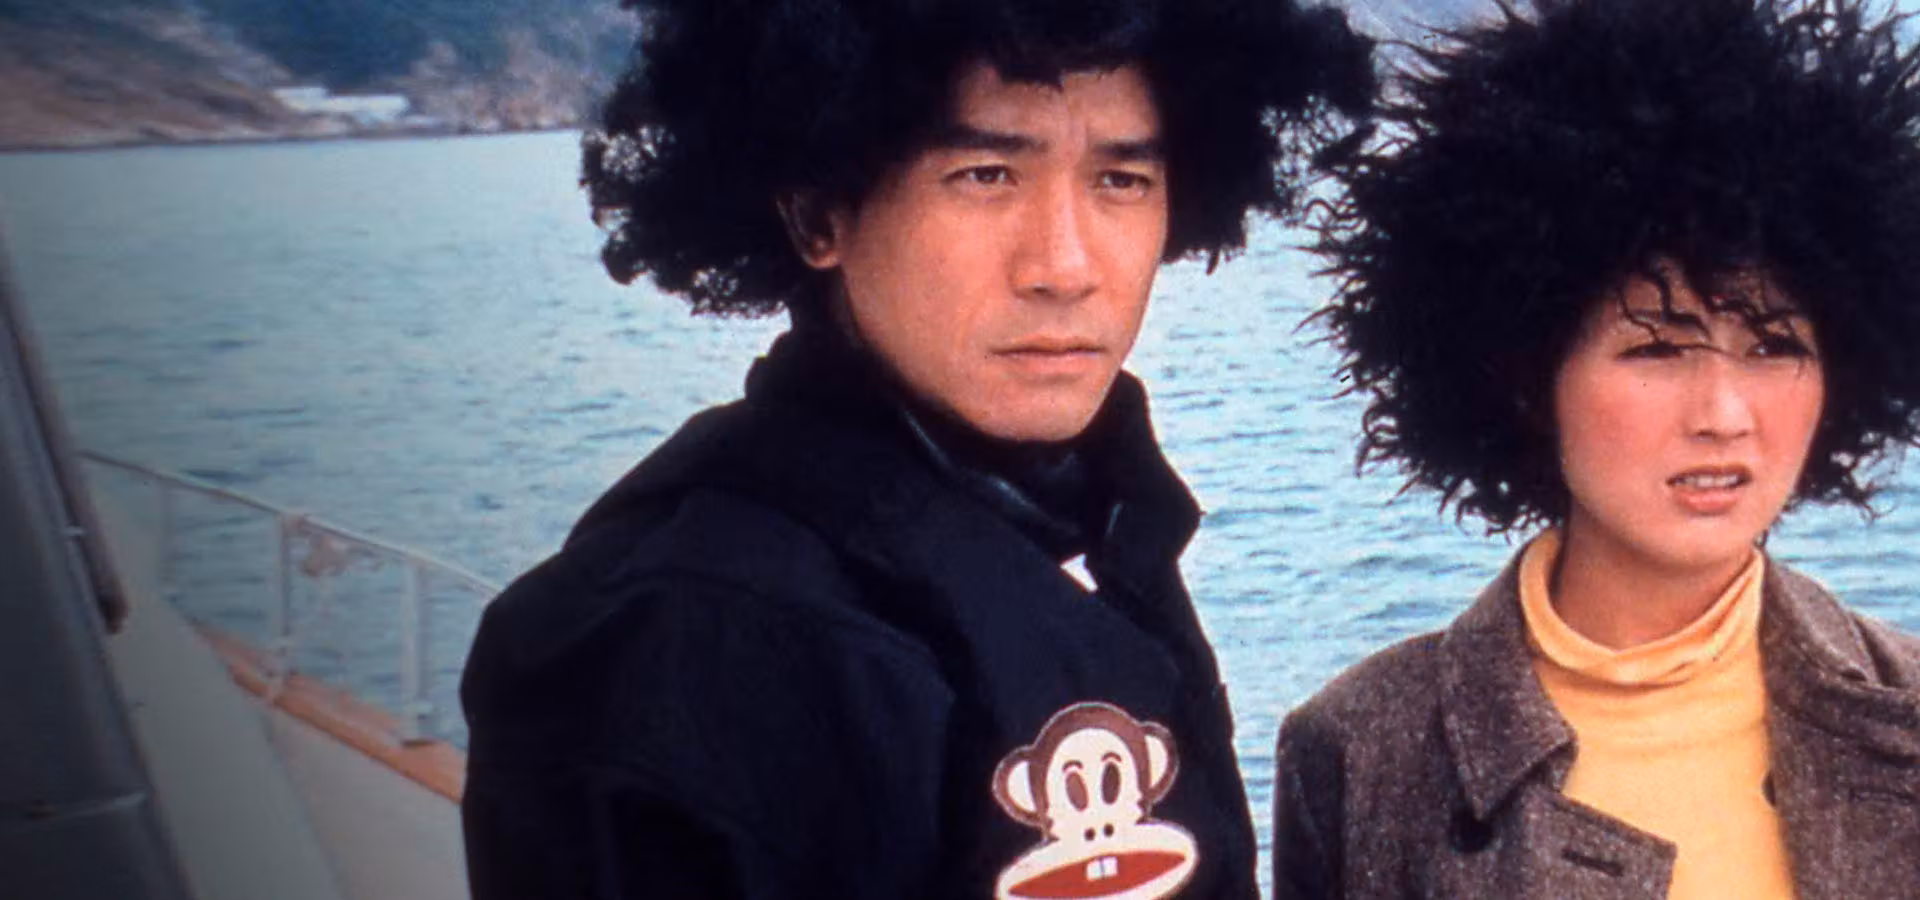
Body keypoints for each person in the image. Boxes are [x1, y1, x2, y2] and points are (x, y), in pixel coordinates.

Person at [458, 1, 1373, 897]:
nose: (1065, 266)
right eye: (985, 174)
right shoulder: (677, 646)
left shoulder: (1096, 534)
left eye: (1122, 180)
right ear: (817, 213)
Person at [1277, 0, 1920, 897]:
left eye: (1775, 345)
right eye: (1656, 349)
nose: (1724, 413)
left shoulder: (1907, 708)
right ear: (1524, 377)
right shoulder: (1358, 751)